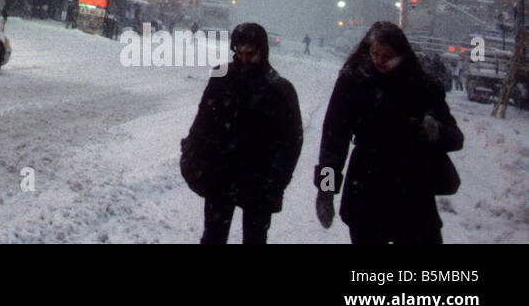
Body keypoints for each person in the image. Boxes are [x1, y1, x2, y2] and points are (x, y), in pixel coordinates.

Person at [314, 21, 463, 245]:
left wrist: (436, 131)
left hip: (412, 190)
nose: (380, 60)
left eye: (388, 55)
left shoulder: (423, 86)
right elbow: (333, 139)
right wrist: (325, 191)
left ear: (402, 55)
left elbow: (455, 137)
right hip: (366, 187)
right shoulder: (354, 81)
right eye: (375, 53)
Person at [181, 22, 303, 244]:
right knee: (213, 236)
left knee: (255, 239)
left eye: (251, 54)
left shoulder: (279, 89)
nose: (245, 59)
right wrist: (191, 152)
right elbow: (204, 120)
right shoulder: (222, 76)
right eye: (240, 53)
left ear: (263, 52)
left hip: (260, 178)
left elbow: (291, 141)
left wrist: (277, 180)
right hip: (221, 172)